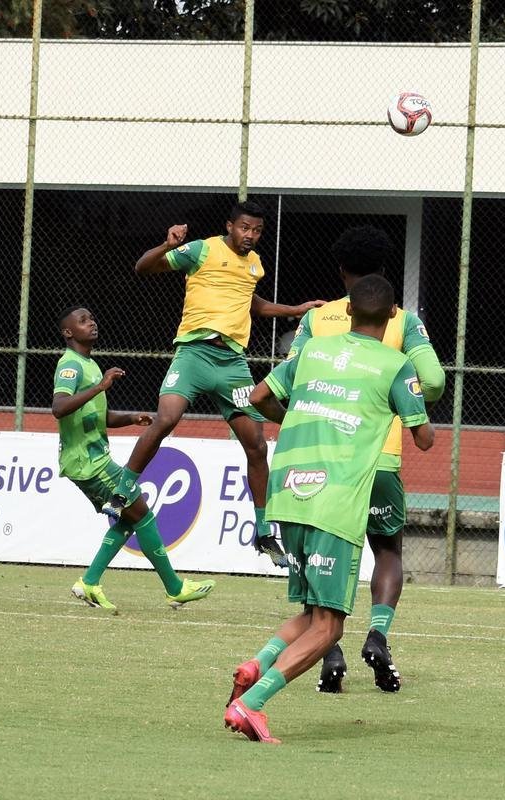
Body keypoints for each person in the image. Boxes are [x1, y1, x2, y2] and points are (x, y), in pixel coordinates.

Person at [223, 275, 434, 744]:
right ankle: (251, 704)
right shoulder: (396, 365)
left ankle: (254, 664)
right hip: (335, 500)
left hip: (289, 491)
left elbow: (257, 399)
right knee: (331, 625)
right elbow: (424, 438)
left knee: (312, 610)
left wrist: (300, 414)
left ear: (350, 312)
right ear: (393, 316)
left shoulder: (312, 351)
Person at [101, 200, 324, 568]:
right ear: (230, 226)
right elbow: (144, 267)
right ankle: (123, 488)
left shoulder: (254, 264)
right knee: (167, 418)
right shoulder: (202, 249)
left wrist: (295, 310)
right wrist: (168, 245)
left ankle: (265, 530)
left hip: (232, 364)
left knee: (255, 445)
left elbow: (251, 304)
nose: (250, 235)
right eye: (245, 228)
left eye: (257, 231)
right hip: (193, 354)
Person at [287, 225, 445, 694]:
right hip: (380, 459)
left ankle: (326, 645)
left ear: (342, 273)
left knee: (326, 553)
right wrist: (405, 400)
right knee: (388, 550)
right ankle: (377, 633)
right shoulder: (401, 319)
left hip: (319, 461)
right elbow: (433, 381)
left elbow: (291, 379)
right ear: (383, 274)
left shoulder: (317, 320)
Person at [53, 306, 215, 609]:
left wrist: (128, 418)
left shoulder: (89, 365)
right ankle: (175, 588)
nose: (92, 323)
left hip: (94, 460)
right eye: (83, 321)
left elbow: (95, 416)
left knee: (130, 520)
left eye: (92, 317)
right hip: (89, 464)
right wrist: (100, 387)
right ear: (68, 332)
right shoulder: (70, 366)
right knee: (143, 514)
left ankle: (89, 582)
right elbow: (59, 407)